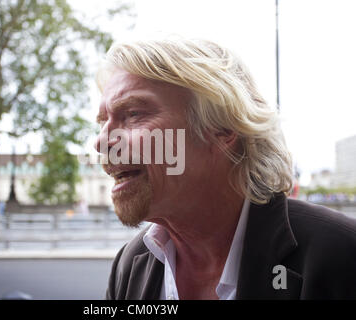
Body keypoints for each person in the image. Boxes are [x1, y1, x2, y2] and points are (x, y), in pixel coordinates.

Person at [94, 37, 356, 300]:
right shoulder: (130, 265)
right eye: (103, 122)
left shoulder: (340, 256)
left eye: (133, 114)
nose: (101, 142)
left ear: (222, 128)